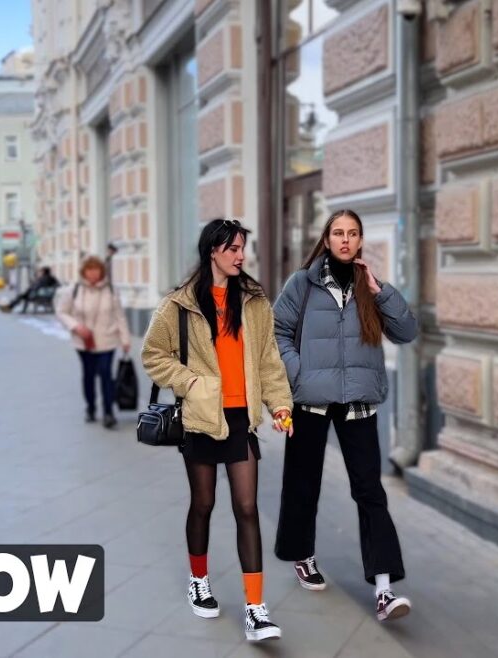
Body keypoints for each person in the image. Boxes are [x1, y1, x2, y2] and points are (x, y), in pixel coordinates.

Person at [141, 219, 293, 643]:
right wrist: (191, 383)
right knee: (203, 503)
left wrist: (280, 405)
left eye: (243, 247)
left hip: (241, 418)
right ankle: (199, 580)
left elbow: (268, 360)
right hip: (202, 418)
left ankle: (256, 609)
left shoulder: (255, 302)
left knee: (247, 507)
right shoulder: (180, 304)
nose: (241, 255)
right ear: (213, 251)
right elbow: (153, 354)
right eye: (234, 248)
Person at [271, 209, 418, 623]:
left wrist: (381, 290)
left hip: (358, 403)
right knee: (302, 485)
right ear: (327, 238)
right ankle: (302, 555)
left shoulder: (370, 287)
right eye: (338, 232)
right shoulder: (303, 282)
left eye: (353, 233)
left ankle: (385, 590)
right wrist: (297, 373)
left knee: (370, 491)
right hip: (311, 401)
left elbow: (407, 332)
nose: (345, 240)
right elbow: (277, 330)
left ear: (360, 240)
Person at [56, 257, 130, 428]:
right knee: (88, 375)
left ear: (102, 271)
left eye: (96, 269)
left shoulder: (111, 289)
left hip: (107, 339)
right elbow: (61, 312)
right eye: (89, 269)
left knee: (105, 374)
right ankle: (90, 407)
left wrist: (125, 338)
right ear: (84, 272)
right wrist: (75, 326)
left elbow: (119, 315)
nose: (93, 273)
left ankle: (108, 412)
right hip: (84, 341)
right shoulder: (74, 290)